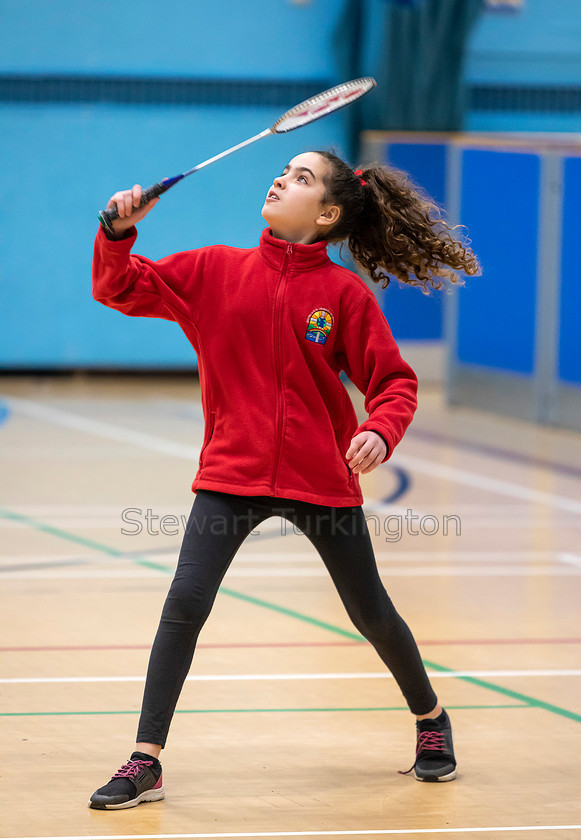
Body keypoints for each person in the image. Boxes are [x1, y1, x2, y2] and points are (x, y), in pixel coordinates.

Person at [88, 150, 479, 810]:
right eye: (284, 171)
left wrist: (379, 431)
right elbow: (120, 287)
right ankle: (145, 759)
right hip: (231, 470)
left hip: (319, 477)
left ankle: (429, 718)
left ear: (325, 214)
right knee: (185, 601)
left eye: (301, 178)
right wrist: (119, 234)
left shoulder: (343, 296)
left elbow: (392, 382)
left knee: (370, 613)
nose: (280, 179)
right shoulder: (214, 270)